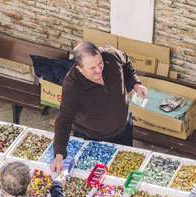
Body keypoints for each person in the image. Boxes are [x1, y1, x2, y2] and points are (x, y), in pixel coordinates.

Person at [52, 41, 148, 173]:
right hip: (92, 137)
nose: (99, 70)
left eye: (100, 64)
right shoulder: (72, 85)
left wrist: (136, 84)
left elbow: (127, 63)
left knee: (122, 171)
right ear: (79, 68)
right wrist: (59, 154)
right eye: (92, 68)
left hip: (123, 129)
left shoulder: (111, 55)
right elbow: (64, 119)